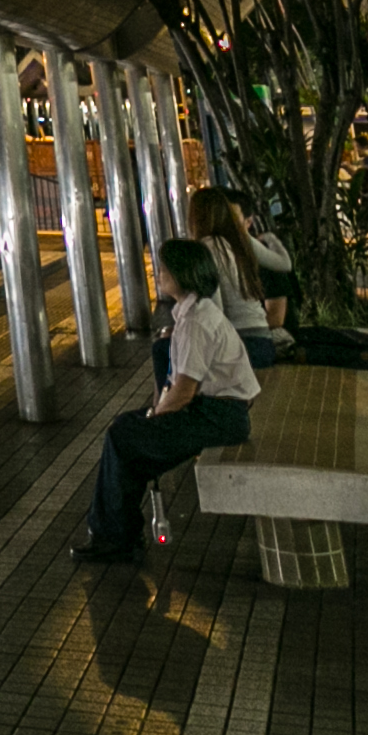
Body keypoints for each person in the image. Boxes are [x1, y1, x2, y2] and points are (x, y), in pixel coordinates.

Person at [74, 238, 261, 562]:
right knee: (127, 437)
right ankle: (117, 535)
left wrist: (155, 416)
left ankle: (116, 537)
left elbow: (183, 392)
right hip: (221, 410)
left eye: (163, 269)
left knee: (123, 436)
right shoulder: (195, 314)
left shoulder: (197, 323)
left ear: (182, 274)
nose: (156, 274)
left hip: (218, 416)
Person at [191, 188, 290, 373]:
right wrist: (271, 239)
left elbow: (215, 312)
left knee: (168, 350)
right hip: (262, 342)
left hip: (238, 345)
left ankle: (163, 401)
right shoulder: (243, 240)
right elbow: (284, 264)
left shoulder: (204, 250)